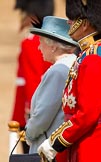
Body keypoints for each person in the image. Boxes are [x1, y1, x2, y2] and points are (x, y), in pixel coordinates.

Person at [37, 0, 101, 162]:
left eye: (74, 19)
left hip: (93, 145)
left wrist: (56, 142)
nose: (69, 22)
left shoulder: (94, 58)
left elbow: (87, 114)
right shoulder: (89, 53)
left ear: (85, 24)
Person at [25, 16, 79, 162]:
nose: (39, 47)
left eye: (41, 42)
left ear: (53, 46)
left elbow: (42, 115)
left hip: (49, 150)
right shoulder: (71, 64)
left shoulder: (58, 71)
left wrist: (28, 133)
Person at [11, 0, 54, 153]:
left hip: (31, 112)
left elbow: (33, 80)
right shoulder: (49, 41)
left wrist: (32, 115)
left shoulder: (30, 43)